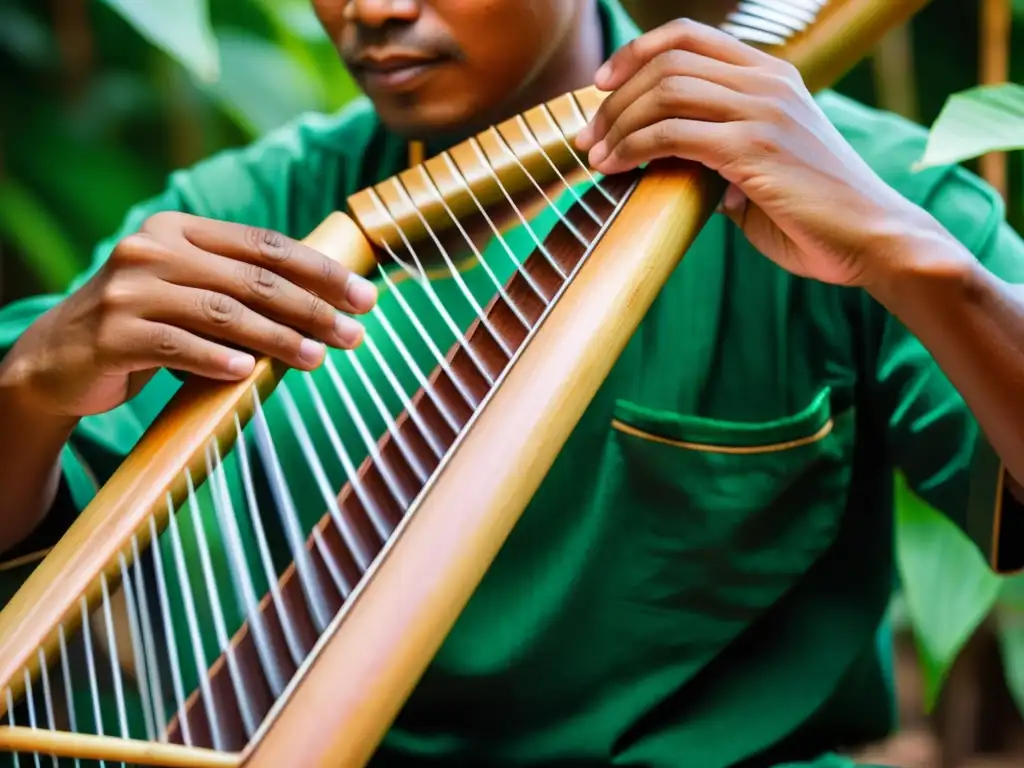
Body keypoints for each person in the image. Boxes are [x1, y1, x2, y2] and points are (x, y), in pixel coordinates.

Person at [0, 0, 1022, 766]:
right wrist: (32, 390)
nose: (371, 10)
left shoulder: (863, 188)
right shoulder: (257, 213)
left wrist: (916, 264)